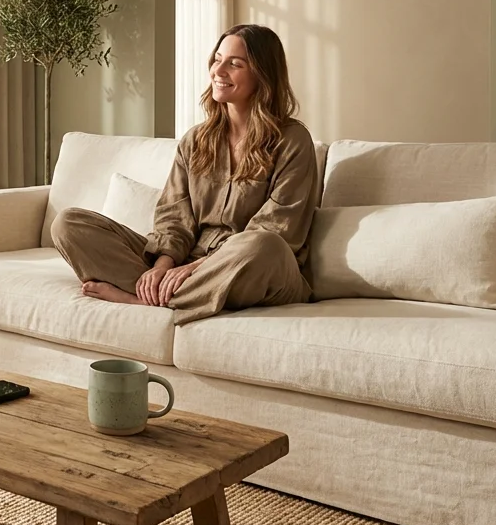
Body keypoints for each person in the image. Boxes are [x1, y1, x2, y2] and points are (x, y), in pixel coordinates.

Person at [50, 23, 319, 325]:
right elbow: (174, 217)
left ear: (262, 74)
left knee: (263, 245)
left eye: (235, 64)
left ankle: (140, 300)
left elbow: (278, 227)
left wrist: (196, 268)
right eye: (217, 59)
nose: (218, 71)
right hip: (191, 261)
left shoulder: (292, 140)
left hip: (259, 269)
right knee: (69, 224)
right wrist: (163, 266)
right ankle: (168, 295)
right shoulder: (195, 140)